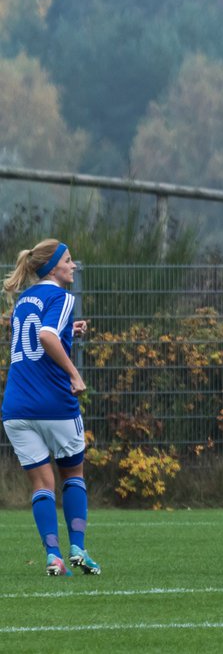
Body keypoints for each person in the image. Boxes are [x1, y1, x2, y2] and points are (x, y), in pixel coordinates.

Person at [2, 239, 99, 576]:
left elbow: (30, 335)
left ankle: (53, 557)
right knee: (72, 473)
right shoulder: (62, 296)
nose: (73, 265)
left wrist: (68, 330)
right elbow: (45, 336)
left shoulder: (24, 300)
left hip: (16, 406)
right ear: (53, 267)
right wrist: (75, 374)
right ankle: (78, 549)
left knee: (42, 484)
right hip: (54, 402)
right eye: (68, 260)